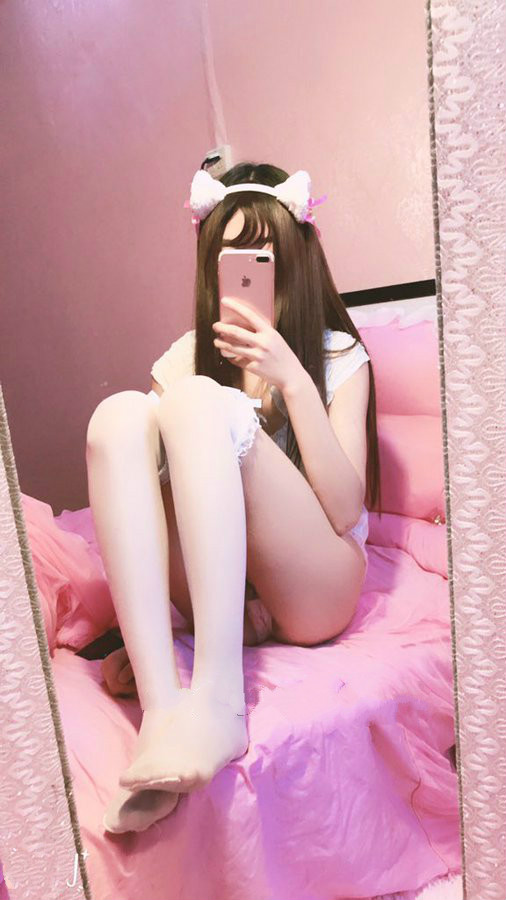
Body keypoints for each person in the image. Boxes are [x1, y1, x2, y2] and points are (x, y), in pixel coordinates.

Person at [85, 161, 383, 834]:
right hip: (226, 592)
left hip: (319, 586)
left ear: (295, 262)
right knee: (119, 419)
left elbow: (345, 512)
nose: (246, 277)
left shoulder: (336, 355)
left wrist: (292, 380)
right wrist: (155, 635)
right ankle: (164, 712)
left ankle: (219, 702)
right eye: (228, 260)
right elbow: (154, 505)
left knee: (197, 402)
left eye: (262, 258)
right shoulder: (185, 356)